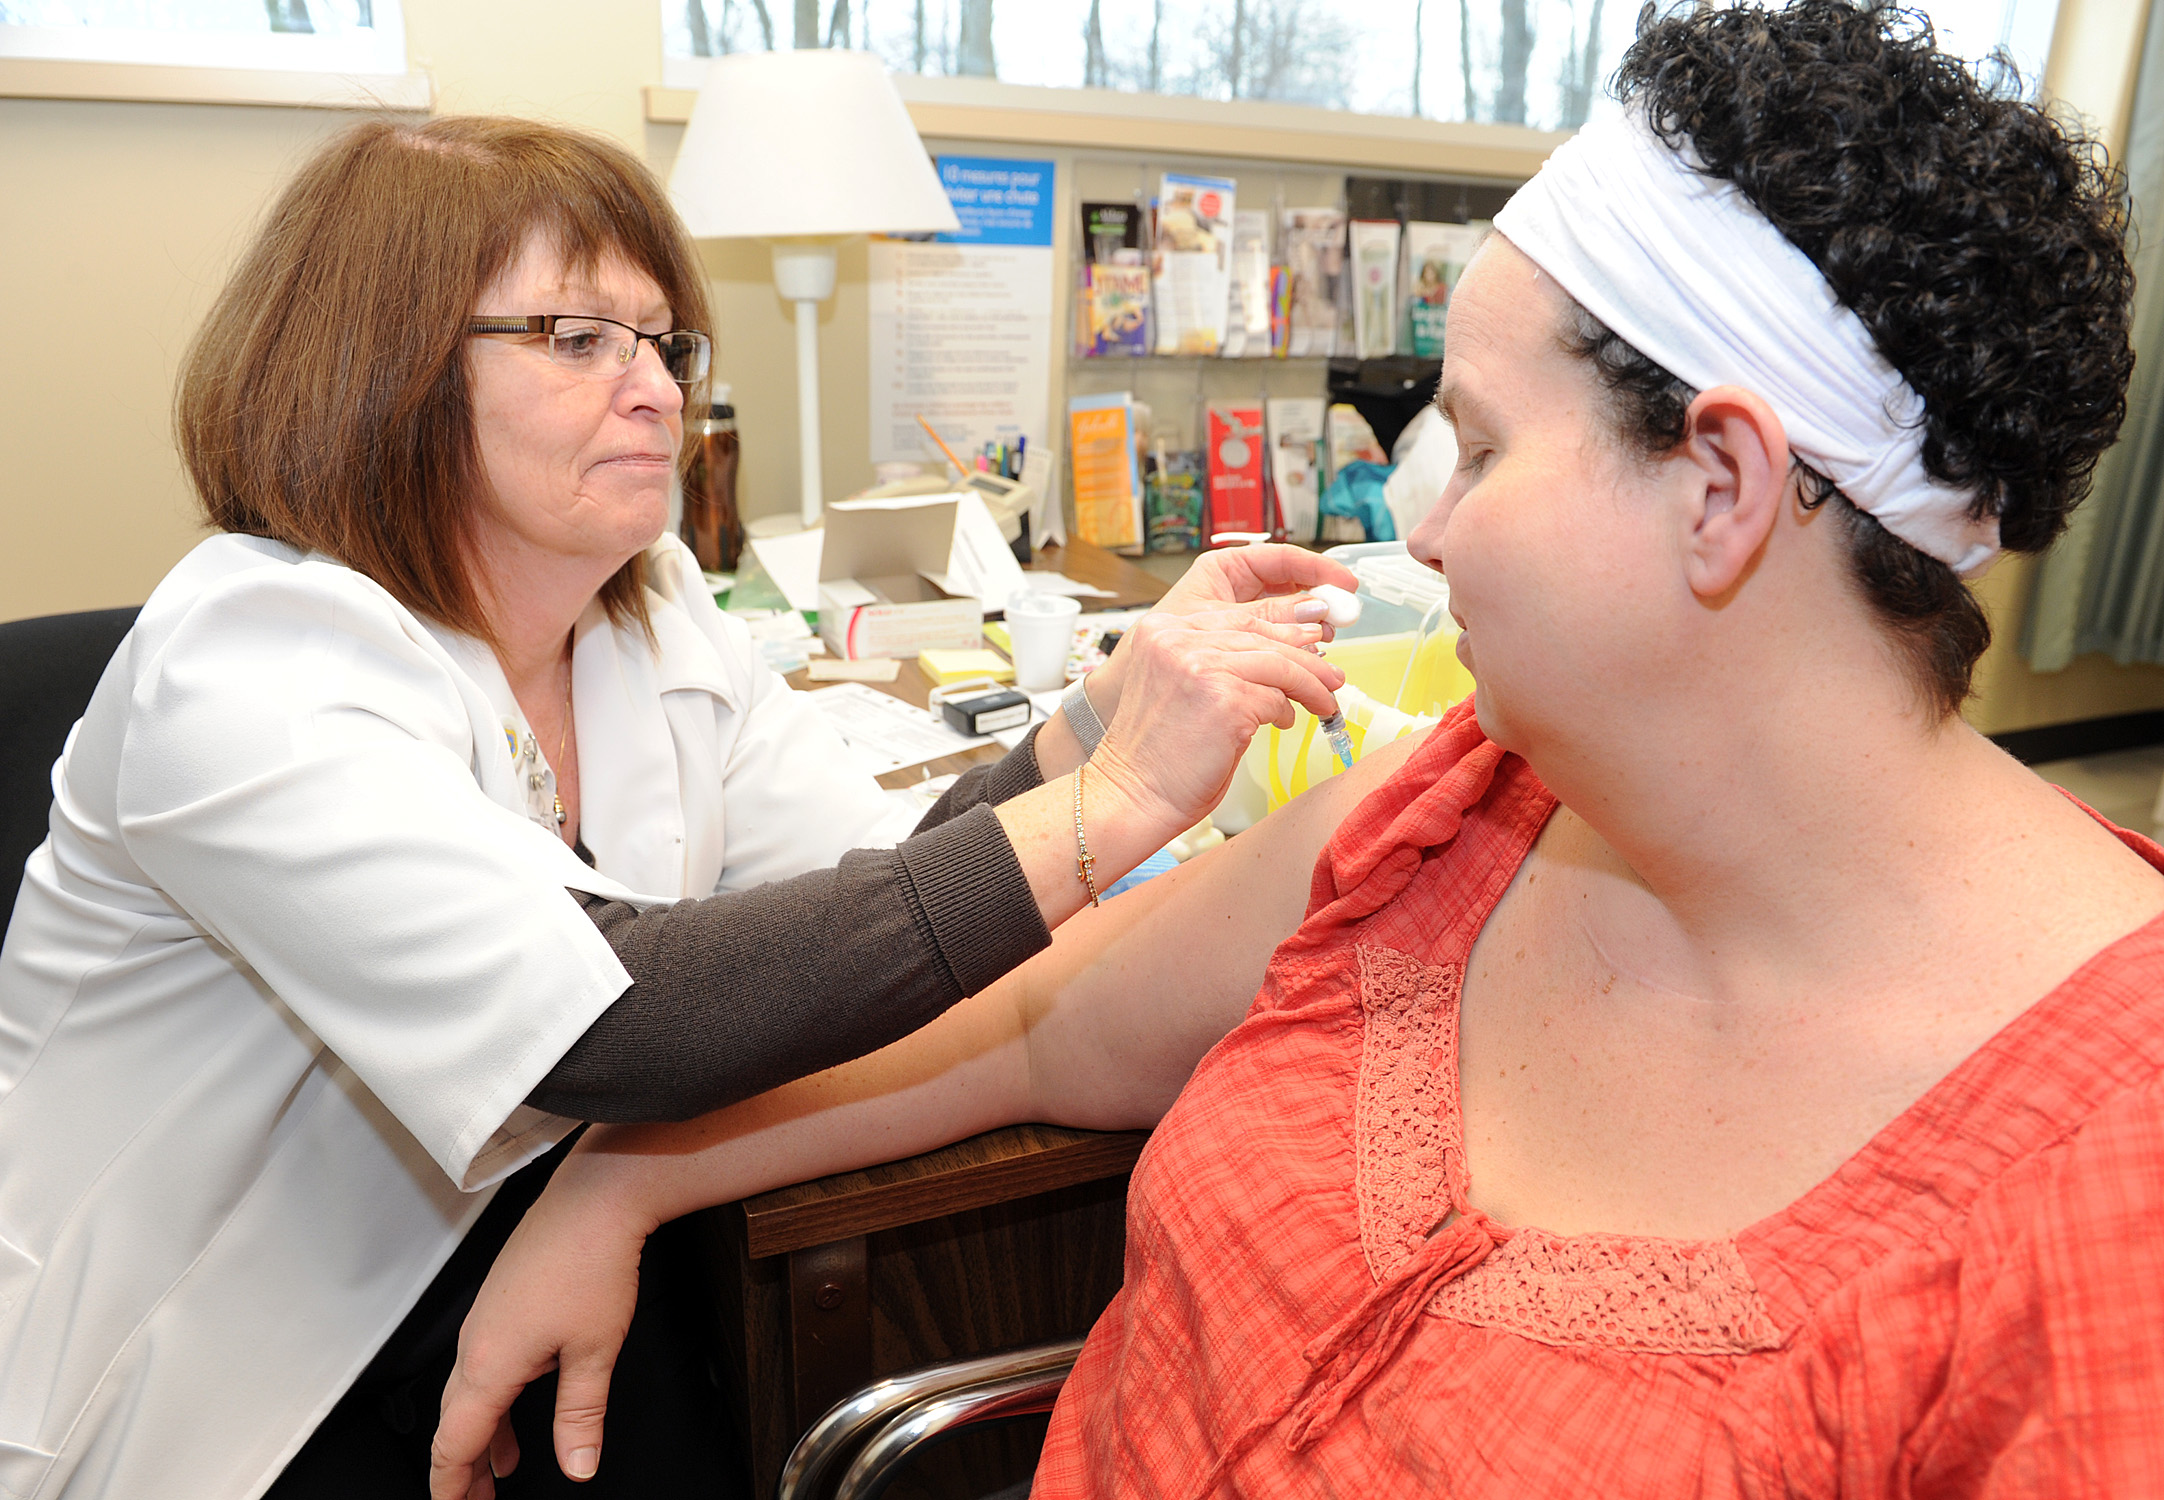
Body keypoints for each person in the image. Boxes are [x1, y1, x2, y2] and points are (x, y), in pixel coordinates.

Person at [431, 4, 2164, 1495]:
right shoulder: (1455, 816)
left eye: (1477, 451)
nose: (1425, 534)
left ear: (1718, 488)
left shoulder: (2101, 1207)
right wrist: (626, 1179)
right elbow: (1044, 1023)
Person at [0, 115, 1355, 1500]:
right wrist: (1119, 801)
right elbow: (612, 1017)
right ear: (382, 368)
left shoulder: (649, 611)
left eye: (664, 343)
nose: (657, 388)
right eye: (578, 339)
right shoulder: (247, 659)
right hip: (210, 1374)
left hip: (503, 1241)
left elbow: (878, 898)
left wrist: (1095, 719)